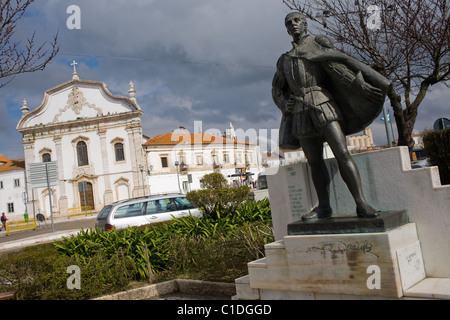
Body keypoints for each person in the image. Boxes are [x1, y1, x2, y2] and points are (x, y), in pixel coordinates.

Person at [272, 12, 391, 221]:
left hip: (323, 104)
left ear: (305, 24)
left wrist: (359, 85)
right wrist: (284, 104)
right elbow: (277, 89)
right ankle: (324, 208)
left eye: (297, 20)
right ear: (286, 29)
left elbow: (336, 68)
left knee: (342, 153)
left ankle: (361, 203)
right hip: (300, 111)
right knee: (314, 162)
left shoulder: (318, 45)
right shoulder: (284, 60)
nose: (293, 25)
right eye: (289, 23)